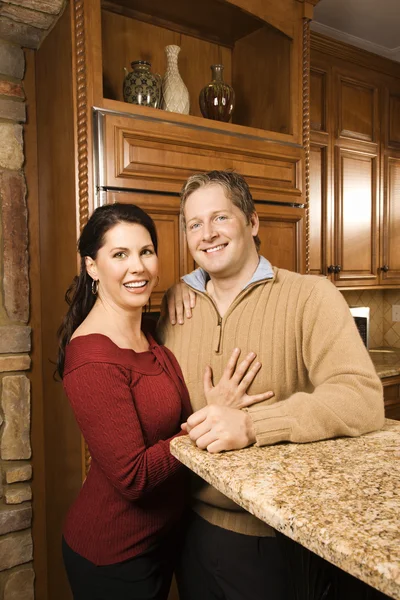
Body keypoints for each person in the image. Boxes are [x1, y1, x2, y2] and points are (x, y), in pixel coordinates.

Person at [158, 170, 385, 600]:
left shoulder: (311, 296)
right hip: (187, 530)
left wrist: (254, 425)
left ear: (253, 222)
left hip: (273, 537)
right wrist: (174, 289)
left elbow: (362, 398)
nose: (207, 234)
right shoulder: (175, 307)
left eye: (220, 218)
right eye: (194, 224)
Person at [56, 202, 265, 600]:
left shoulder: (147, 329)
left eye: (145, 252)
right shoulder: (91, 360)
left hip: (163, 539)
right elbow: (134, 478)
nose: (138, 267)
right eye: (119, 255)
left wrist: (185, 286)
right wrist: (207, 420)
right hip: (113, 554)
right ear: (92, 267)